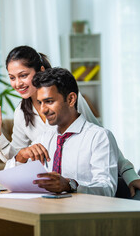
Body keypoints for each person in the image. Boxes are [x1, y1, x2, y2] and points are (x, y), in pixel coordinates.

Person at [0, 46, 140, 199]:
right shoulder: (24, 115)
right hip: (51, 199)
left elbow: (101, 140)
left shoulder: (71, 100)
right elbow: (17, 160)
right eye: (12, 78)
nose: (18, 83)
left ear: (40, 70)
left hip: (84, 195)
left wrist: (130, 175)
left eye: (23, 75)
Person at [31, 67, 118, 195]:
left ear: (71, 99)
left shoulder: (99, 137)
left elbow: (107, 188)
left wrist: (70, 185)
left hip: (82, 213)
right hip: (46, 210)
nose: (43, 110)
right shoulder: (44, 138)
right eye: (40, 103)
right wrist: (21, 157)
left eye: (49, 101)